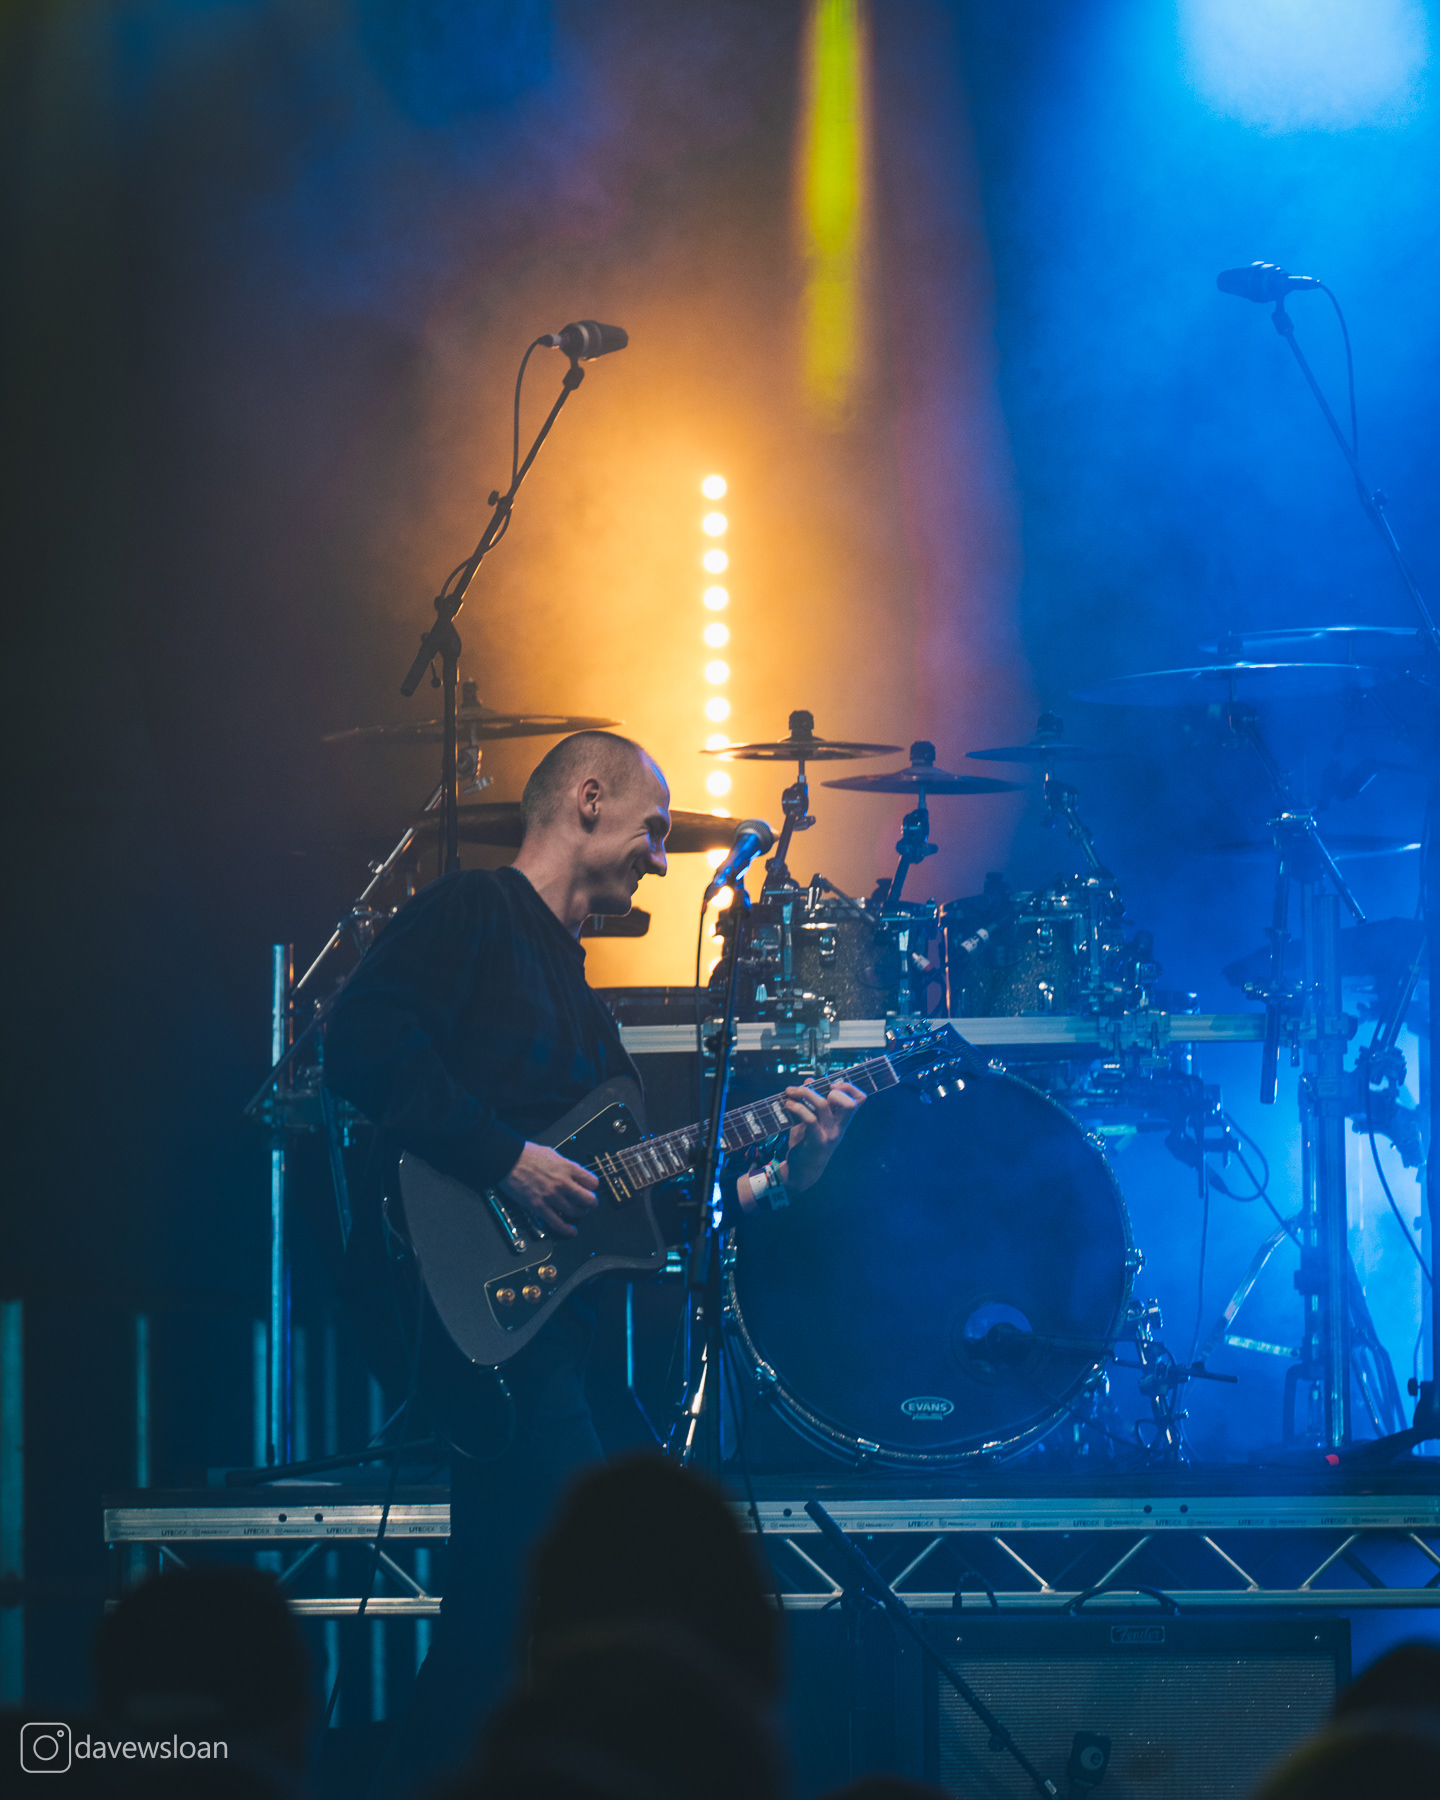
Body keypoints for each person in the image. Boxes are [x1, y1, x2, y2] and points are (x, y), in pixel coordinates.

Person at [323, 730, 865, 1797]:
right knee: (594, 1584)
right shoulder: (474, 912)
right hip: (465, 1310)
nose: (661, 858)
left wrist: (785, 1179)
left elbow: (648, 1216)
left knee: (505, 1613)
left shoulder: (584, 1010)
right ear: (585, 800)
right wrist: (506, 1158)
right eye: (651, 830)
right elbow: (361, 1043)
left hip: (547, 1333)